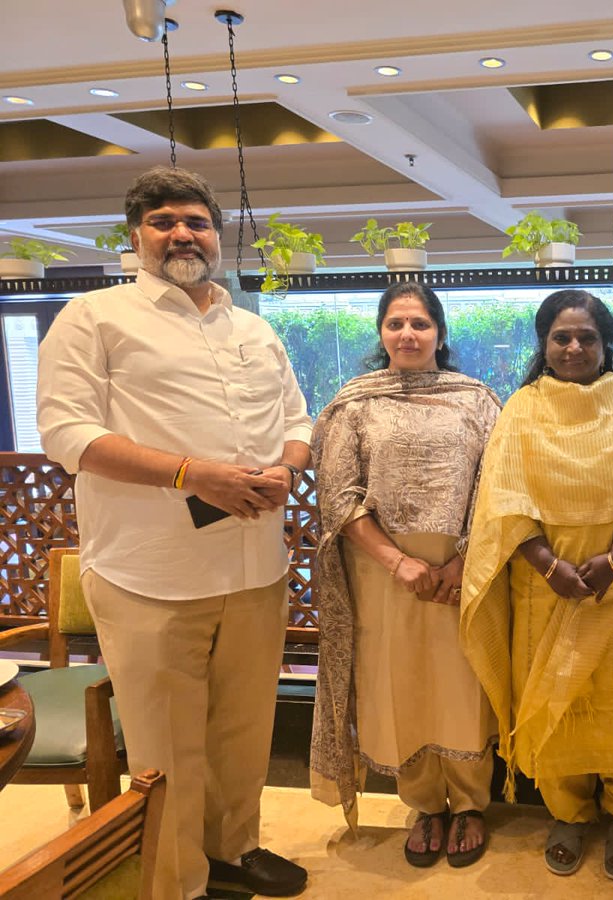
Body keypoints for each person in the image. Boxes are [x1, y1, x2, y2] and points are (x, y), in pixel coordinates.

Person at [36, 166, 312, 900]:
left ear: (217, 236)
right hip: (150, 571)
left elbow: (297, 420)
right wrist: (193, 474)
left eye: (195, 221)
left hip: (256, 564)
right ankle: (179, 879)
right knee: (167, 742)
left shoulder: (253, 327)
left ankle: (234, 849)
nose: (181, 234)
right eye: (163, 223)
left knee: (243, 731)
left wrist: (289, 467)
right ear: (137, 238)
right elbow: (69, 436)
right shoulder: (93, 318)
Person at [460, 290, 613, 882]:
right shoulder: (522, 409)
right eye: (561, 337)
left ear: (604, 343)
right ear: (544, 345)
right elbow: (503, 501)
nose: (573, 347)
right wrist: (548, 565)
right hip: (547, 587)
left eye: (586, 337)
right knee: (555, 700)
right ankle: (567, 812)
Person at [309, 283, 500, 868]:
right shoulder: (354, 405)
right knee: (399, 681)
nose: (408, 334)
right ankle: (425, 805)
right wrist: (399, 562)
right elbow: (337, 496)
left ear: (440, 331)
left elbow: (498, 486)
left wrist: (462, 561)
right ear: (381, 333)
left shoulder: (478, 401)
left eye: (419, 323)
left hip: (466, 570)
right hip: (383, 574)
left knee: (464, 680)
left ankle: (469, 803)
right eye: (395, 324)